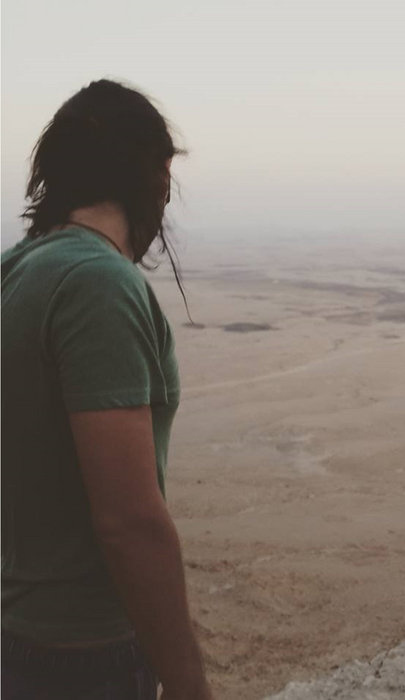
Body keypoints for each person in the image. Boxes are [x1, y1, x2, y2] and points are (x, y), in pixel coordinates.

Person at [1, 79, 212, 700]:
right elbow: (128, 522)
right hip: (79, 661)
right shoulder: (98, 283)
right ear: (157, 177)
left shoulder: (17, 270)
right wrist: (190, 687)